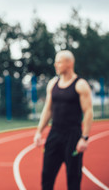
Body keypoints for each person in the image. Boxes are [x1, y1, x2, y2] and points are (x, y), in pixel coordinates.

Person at [33, 50, 93, 190]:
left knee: (73, 177)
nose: (55, 64)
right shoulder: (53, 83)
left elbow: (88, 112)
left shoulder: (80, 84)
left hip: (73, 135)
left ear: (69, 63)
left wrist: (84, 138)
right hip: (54, 134)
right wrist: (39, 132)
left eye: (59, 61)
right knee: (47, 175)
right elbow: (48, 110)